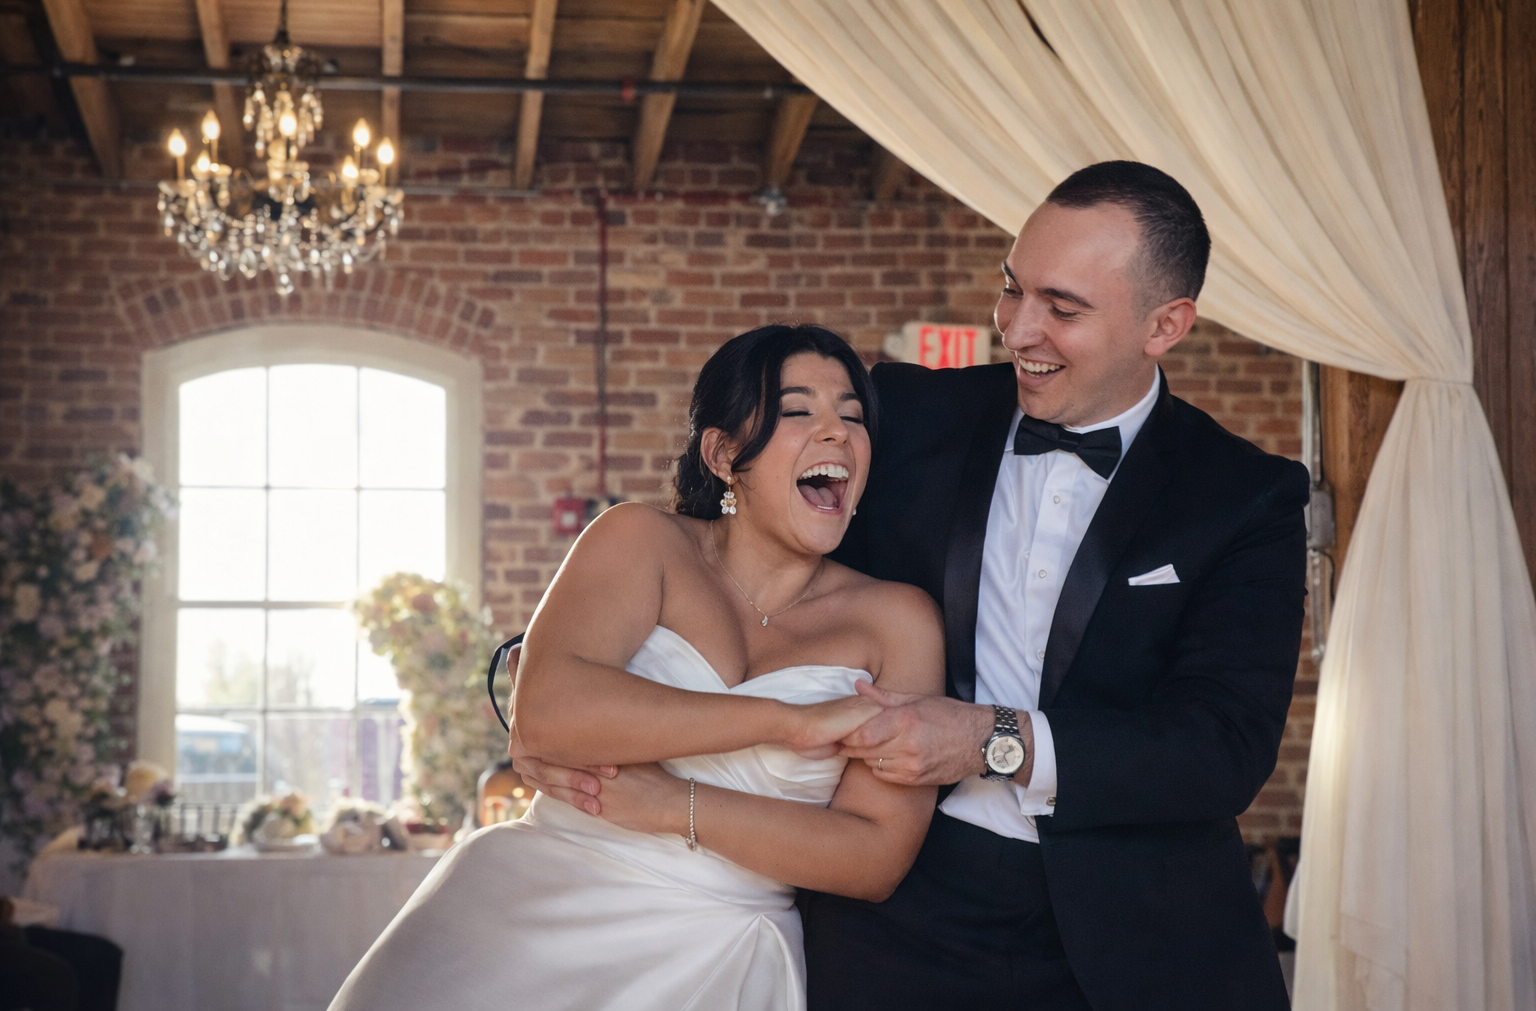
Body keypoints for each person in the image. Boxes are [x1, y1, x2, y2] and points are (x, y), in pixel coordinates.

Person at [519, 161, 1308, 1011]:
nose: (1018, 327)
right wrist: (562, 696)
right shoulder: (905, 415)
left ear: (1167, 324)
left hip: (1141, 930)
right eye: (1013, 289)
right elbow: (742, 522)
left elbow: (1220, 750)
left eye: (1062, 307)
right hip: (901, 912)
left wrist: (990, 741)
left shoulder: (1246, 496)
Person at [328, 324, 944, 1011]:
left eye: (852, 417)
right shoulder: (639, 541)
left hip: (723, 961)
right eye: (798, 410)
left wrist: (670, 806)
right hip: (526, 915)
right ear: (723, 452)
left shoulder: (898, 621)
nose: (837, 434)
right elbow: (548, 716)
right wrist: (787, 722)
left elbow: (873, 860)